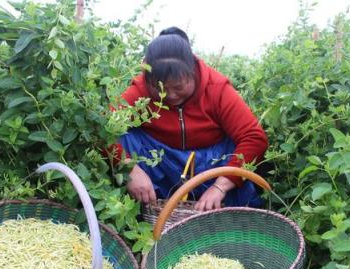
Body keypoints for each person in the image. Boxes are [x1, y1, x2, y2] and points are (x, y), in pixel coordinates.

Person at [110, 27, 268, 211]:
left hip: (211, 164)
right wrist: (128, 169)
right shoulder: (140, 91)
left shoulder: (216, 89)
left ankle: (226, 211)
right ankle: (145, 211)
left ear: (193, 70)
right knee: (124, 136)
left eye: (178, 87)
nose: (170, 96)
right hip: (160, 163)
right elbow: (103, 128)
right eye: (160, 89)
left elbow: (254, 138)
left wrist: (220, 186)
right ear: (148, 78)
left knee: (236, 148)